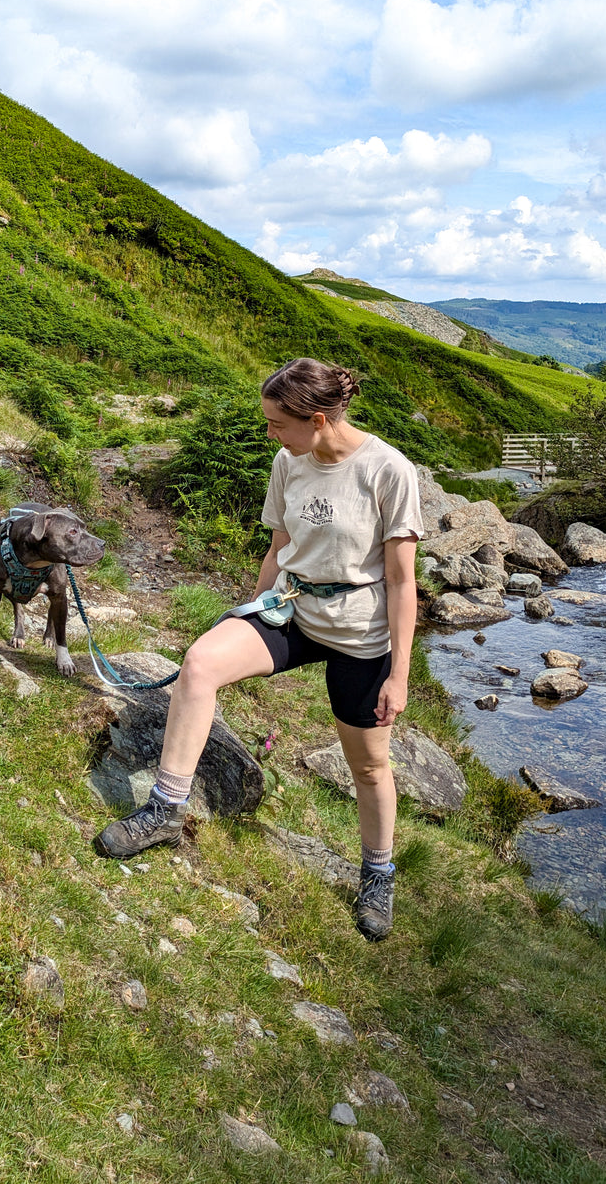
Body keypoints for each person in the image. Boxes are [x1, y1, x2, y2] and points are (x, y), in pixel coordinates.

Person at [94, 357, 423, 941]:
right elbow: (279, 547)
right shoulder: (287, 461)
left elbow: (402, 581)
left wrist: (399, 675)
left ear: (318, 419)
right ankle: (165, 811)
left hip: (361, 634)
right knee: (199, 662)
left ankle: (377, 874)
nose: (269, 433)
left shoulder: (387, 470)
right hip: (293, 608)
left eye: (277, 423)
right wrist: (251, 614)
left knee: (369, 764)